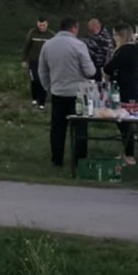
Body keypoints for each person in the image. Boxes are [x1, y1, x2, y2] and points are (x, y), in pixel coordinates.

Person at [38, 17, 96, 169]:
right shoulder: (79, 45)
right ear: (74, 28)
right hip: (78, 93)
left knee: (58, 128)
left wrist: (49, 87)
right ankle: (79, 162)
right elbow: (90, 71)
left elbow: (42, 71)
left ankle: (57, 160)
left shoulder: (48, 45)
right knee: (80, 128)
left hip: (58, 92)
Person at [103, 24, 138, 165]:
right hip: (131, 87)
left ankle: (129, 155)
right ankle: (128, 152)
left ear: (121, 36)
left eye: (115, 35)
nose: (113, 38)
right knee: (124, 123)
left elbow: (109, 67)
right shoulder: (134, 50)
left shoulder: (125, 51)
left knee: (124, 122)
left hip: (125, 89)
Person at [22, 18, 51, 110]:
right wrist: (24, 60)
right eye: (40, 25)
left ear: (47, 24)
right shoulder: (32, 33)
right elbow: (26, 47)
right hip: (34, 61)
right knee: (35, 80)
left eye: (43, 25)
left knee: (43, 81)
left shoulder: (51, 35)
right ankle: (34, 98)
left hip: (46, 62)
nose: (42, 27)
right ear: (37, 24)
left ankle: (42, 102)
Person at [84, 18, 114, 82]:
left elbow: (105, 52)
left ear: (95, 26)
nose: (88, 29)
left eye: (90, 27)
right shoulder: (96, 36)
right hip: (96, 66)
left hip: (101, 67)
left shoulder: (104, 37)